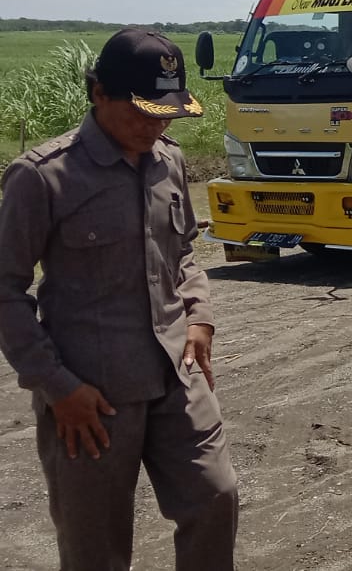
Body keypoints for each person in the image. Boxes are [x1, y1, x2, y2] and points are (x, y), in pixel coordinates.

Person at [0, 29, 239, 570]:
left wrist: (199, 315)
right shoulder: (42, 178)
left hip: (178, 375)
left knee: (216, 496)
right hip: (92, 398)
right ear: (99, 94)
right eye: (144, 113)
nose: (156, 126)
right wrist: (57, 387)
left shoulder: (167, 160)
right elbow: (6, 290)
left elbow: (181, 255)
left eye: (167, 114)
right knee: (96, 548)